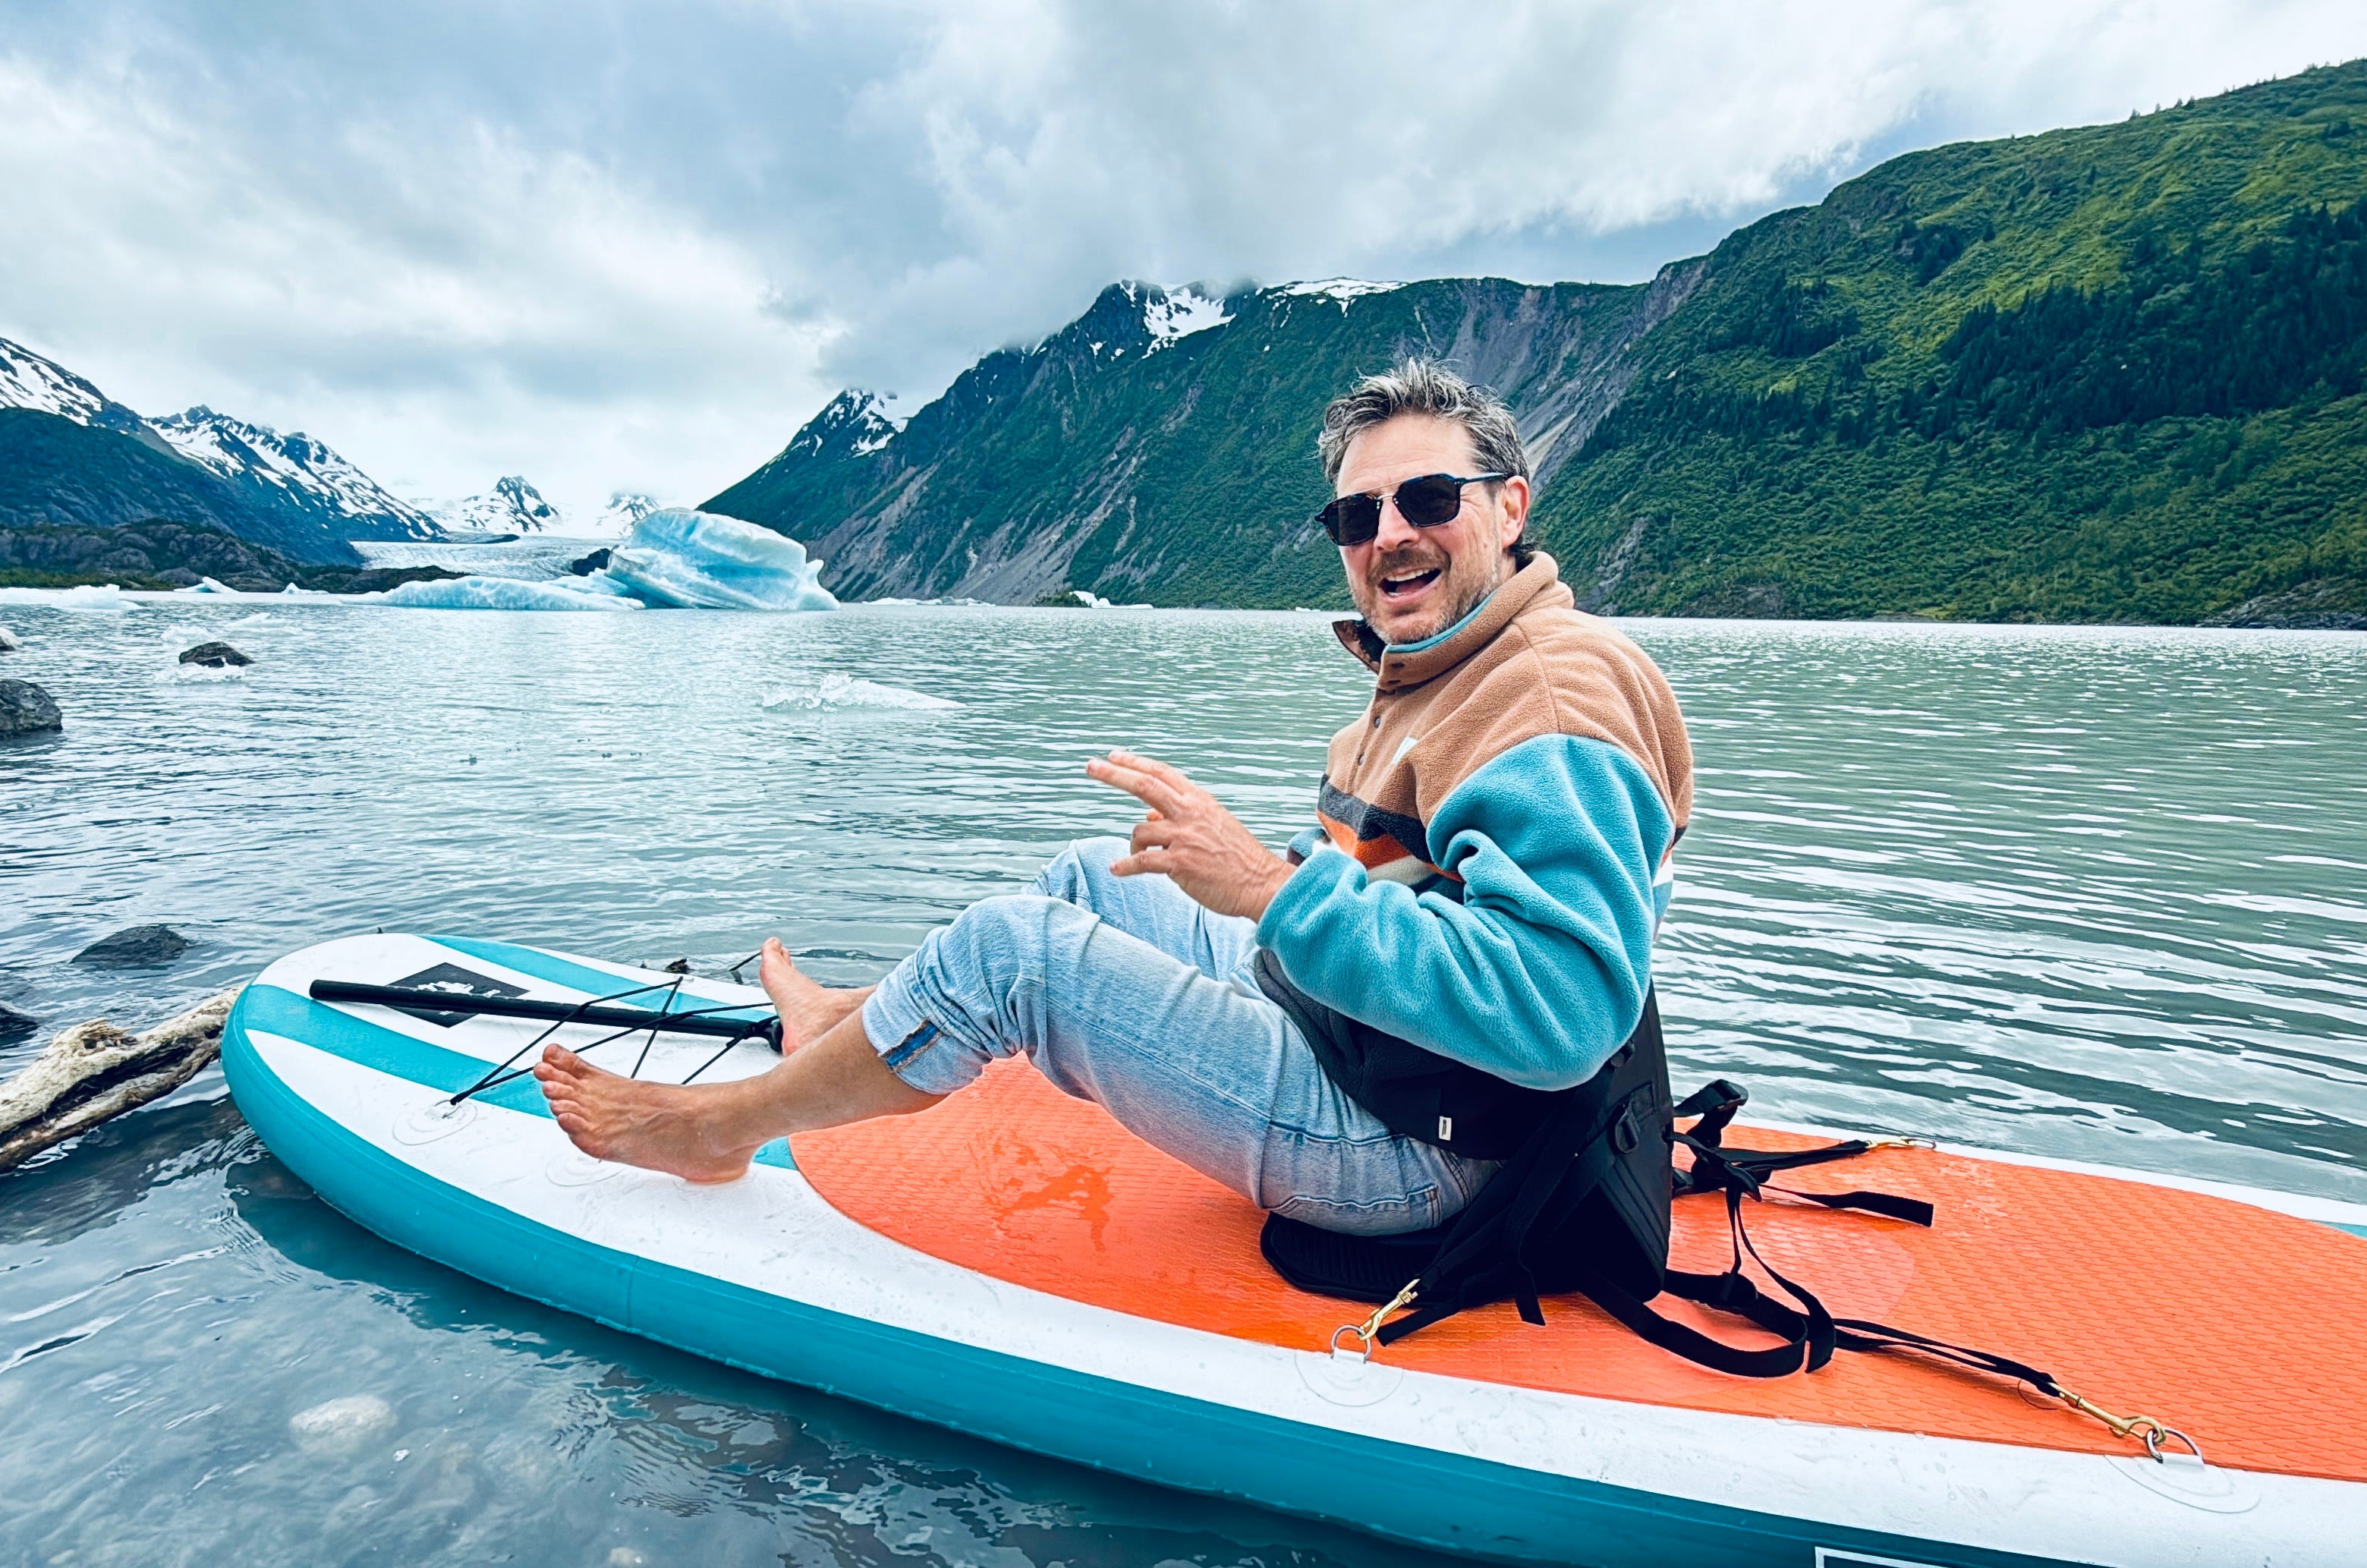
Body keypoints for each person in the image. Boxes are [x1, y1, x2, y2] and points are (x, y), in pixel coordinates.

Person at [535, 360, 1693, 1240]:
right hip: (1373, 1050)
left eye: (1429, 496)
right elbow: (1405, 885)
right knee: (1101, 869)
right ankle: (848, 1024)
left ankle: (712, 1133)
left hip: (1424, 1149)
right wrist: (1269, 882)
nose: (1388, 533)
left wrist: (1265, 888)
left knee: (1016, 953)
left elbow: (1559, 1016)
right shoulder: (1452, 668)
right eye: (1356, 513)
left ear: (1509, 506)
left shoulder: (1547, 694)